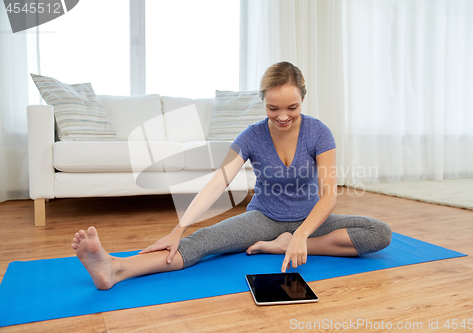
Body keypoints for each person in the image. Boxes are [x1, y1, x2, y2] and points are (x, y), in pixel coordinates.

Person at [71, 61, 392, 290]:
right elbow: (217, 183)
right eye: (273, 108)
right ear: (263, 101)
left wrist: (300, 235)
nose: (282, 117)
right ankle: (115, 268)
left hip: (312, 219)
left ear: (303, 99)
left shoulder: (319, 133)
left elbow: (329, 195)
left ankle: (280, 245)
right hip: (263, 219)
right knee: (204, 241)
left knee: (378, 233)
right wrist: (178, 228)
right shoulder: (251, 136)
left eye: (292, 108)